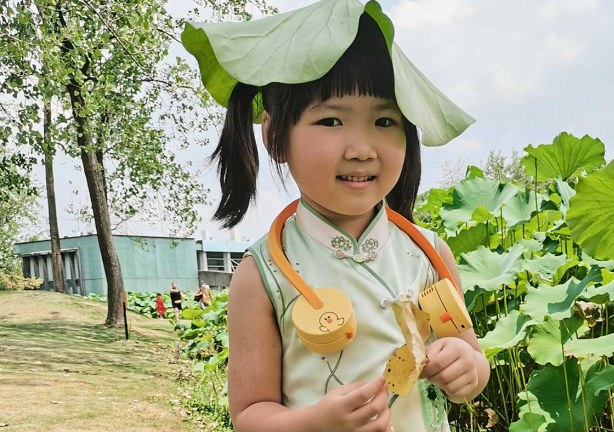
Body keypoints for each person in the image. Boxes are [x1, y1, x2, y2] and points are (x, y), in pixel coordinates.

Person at [182, 1, 490, 431]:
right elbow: (250, 415)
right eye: (330, 120)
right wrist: (314, 423)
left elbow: (473, 361)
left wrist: (469, 370)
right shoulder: (263, 275)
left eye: (384, 120)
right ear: (275, 136)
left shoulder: (429, 253)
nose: (362, 148)